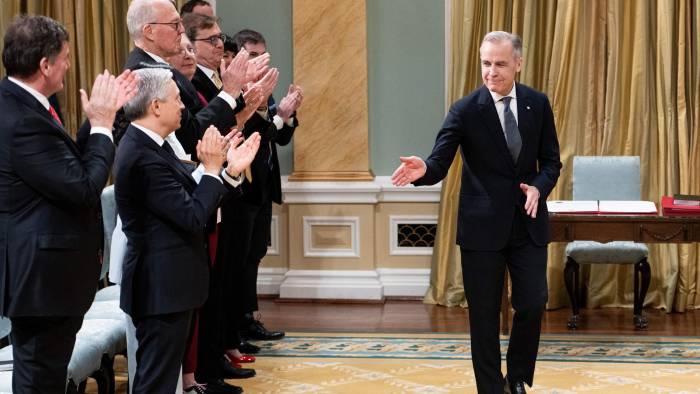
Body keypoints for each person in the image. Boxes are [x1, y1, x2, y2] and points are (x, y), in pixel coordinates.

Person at [391, 31, 561, 394]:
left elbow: (551, 162)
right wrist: (424, 170)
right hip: (482, 228)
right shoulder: (466, 109)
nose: (492, 72)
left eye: (500, 64)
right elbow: (439, 161)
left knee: (532, 303)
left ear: (518, 63)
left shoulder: (537, 103)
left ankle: (516, 377)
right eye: (486, 63)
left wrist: (538, 187)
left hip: (528, 223)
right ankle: (491, 388)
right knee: (483, 317)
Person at [0, 15, 137, 392]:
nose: (68, 65)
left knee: (46, 375)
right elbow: (82, 187)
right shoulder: (20, 118)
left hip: (48, 279)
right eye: (65, 57)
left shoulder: (26, 104)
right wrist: (103, 125)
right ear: (45, 65)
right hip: (42, 280)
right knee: (40, 378)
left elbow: (64, 170)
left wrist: (100, 121)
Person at [114, 67, 260, 392]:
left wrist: (227, 172)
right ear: (155, 106)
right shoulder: (141, 153)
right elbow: (193, 215)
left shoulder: (157, 146)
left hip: (171, 285)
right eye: (177, 99)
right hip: (159, 288)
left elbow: (189, 198)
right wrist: (211, 169)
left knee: (163, 381)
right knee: (156, 384)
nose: (183, 107)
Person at [224, 29, 304, 349]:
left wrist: (287, 114)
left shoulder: (264, 90)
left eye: (263, 54)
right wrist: (280, 117)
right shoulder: (239, 94)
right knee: (240, 258)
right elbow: (266, 131)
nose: (260, 61)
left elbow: (280, 137)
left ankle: (249, 318)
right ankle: (239, 325)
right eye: (254, 55)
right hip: (242, 187)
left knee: (255, 255)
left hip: (264, 187)